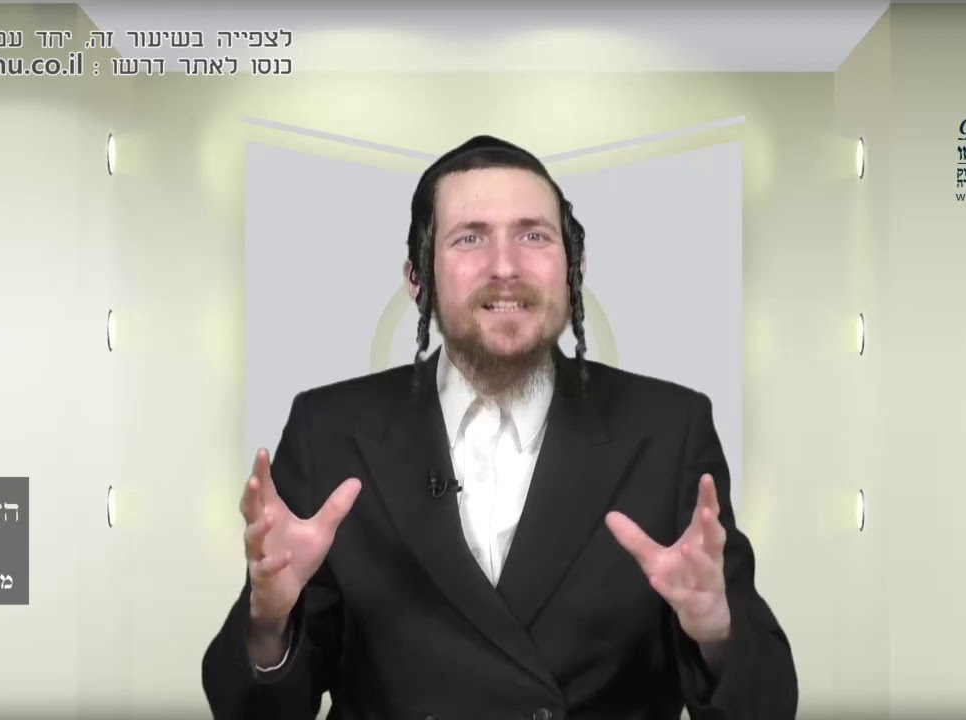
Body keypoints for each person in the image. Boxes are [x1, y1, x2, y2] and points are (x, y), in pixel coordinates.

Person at [202, 135, 797, 719]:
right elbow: (250, 711)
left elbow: (769, 704)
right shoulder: (329, 430)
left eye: (533, 235)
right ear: (417, 278)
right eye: (470, 238)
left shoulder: (669, 429)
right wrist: (270, 623)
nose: (506, 267)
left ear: (574, 268)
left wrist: (716, 631)